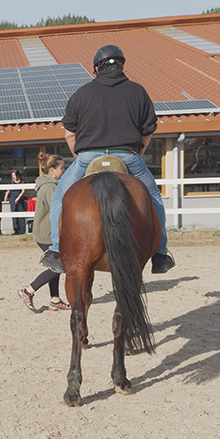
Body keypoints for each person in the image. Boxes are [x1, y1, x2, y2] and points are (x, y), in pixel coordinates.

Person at [40, 44, 175, 274]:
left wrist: (79, 157)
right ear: (121, 65)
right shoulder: (138, 91)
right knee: (153, 197)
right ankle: (160, 254)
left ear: (96, 68)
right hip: (127, 155)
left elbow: (69, 133)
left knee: (60, 198)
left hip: (88, 156)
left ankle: (55, 251)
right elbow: (148, 131)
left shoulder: (82, 93)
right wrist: (137, 153)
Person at [18, 152, 69, 313]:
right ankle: (29, 291)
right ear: (52, 170)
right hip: (48, 233)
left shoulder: (48, 184)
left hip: (47, 232)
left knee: (56, 264)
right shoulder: (50, 187)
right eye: (62, 167)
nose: (64, 170)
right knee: (60, 265)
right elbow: (60, 210)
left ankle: (55, 299)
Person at [6, 169, 27, 234]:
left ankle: (22, 229)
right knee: (13, 213)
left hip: (19, 197)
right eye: (12, 175)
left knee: (20, 212)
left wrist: (18, 198)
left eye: (14, 175)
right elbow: (8, 191)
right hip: (12, 197)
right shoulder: (11, 182)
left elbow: (23, 191)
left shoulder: (22, 181)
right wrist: (5, 198)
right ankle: (15, 228)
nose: (13, 177)